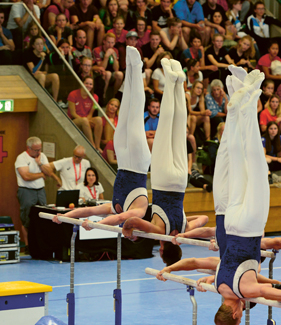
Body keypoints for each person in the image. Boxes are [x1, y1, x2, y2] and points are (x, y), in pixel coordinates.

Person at [197, 70, 281, 325]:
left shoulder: (242, 290)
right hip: (231, 222)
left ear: (236, 313)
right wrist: (203, 281)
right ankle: (237, 99)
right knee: (238, 163)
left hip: (249, 228)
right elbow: (215, 277)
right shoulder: (219, 284)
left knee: (257, 165)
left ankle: (250, 100)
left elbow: (268, 293)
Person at [122, 58, 209, 265]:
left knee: (178, 129)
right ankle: (170, 81)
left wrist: (184, 232)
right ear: (161, 250)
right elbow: (132, 220)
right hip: (162, 182)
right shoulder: (158, 232)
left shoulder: (184, 229)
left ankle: (179, 81)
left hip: (180, 183)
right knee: (165, 126)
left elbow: (204, 219)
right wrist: (127, 231)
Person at [52, 46, 151, 227]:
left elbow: (89, 211)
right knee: (135, 114)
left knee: (124, 111)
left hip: (123, 161)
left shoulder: (113, 207)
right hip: (138, 163)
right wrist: (96, 225)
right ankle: (137, 67)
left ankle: (129, 67)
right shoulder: (140, 210)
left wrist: (65, 215)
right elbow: (119, 219)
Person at [15, 137, 59, 249]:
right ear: (28, 148)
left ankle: (41, 244)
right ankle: (28, 245)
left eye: (40, 149)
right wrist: (41, 174)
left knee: (43, 215)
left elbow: (49, 172)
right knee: (27, 218)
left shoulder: (42, 156)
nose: (38, 152)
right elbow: (26, 176)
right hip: (26, 190)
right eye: (36, 150)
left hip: (40, 190)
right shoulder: (21, 158)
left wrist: (40, 164)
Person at [67, 76, 103, 150]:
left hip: (86, 119)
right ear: (82, 83)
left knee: (99, 119)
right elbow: (73, 113)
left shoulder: (95, 97)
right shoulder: (73, 94)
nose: (88, 85)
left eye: (90, 84)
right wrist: (85, 120)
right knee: (84, 120)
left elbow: (90, 114)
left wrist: (87, 121)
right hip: (73, 120)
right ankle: (92, 145)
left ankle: (98, 146)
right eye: (86, 83)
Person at [24, 37, 61, 104]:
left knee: (55, 76)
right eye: (38, 44)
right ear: (33, 46)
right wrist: (41, 59)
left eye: (41, 44)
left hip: (42, 75)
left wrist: (41, 72)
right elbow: (33, 71)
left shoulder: (45, 54)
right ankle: (43, 100)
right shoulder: (28, 54)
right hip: (30, 78)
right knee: (41, 76)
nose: (40, 46)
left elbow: (46, 71)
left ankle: (55, 101)